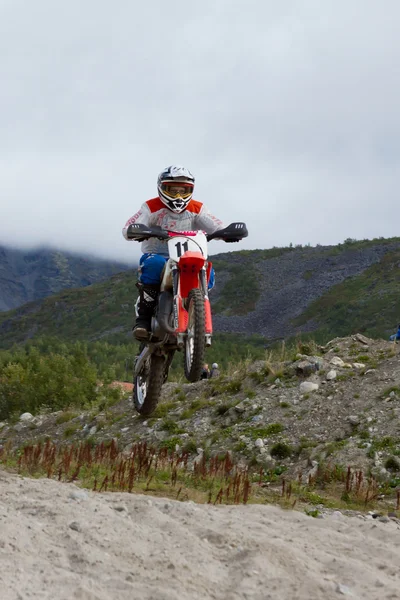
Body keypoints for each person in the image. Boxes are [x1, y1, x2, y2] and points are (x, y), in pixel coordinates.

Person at [122, 165, 224, 340]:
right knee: (154, 265)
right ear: (162, 188)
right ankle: (144, 320)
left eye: (183, 190)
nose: (178, 195)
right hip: (157, 254)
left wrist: (226, 231)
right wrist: (137, 230)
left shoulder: (197, 208)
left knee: (208, 272)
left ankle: (195, 311)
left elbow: (216, 225)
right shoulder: (151, 207)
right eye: (173, 189)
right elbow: (129, 227)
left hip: (190, 255)